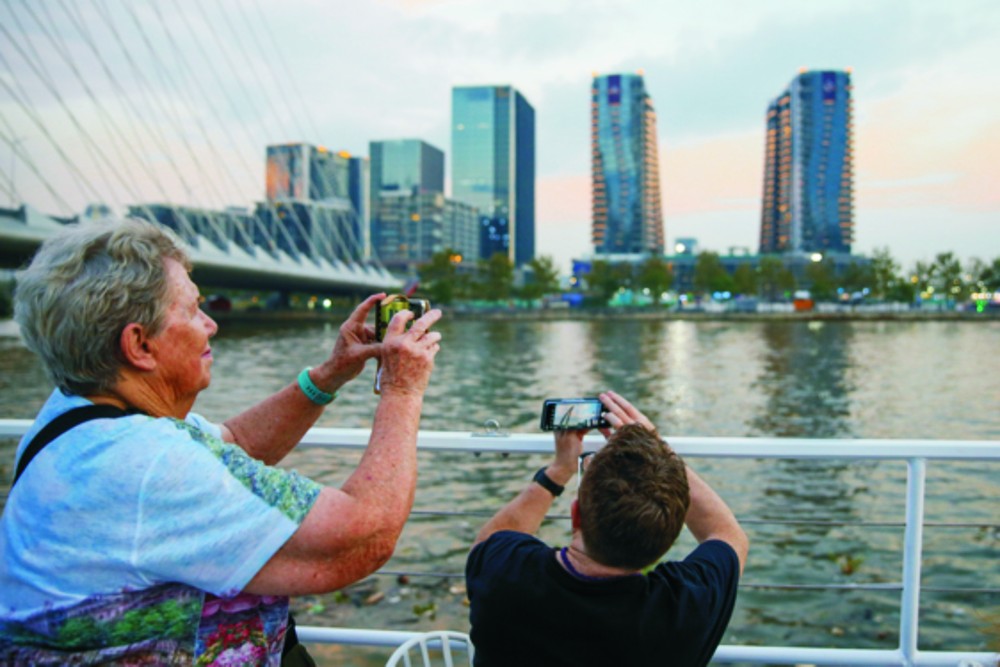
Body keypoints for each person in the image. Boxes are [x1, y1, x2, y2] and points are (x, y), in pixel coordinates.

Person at [0, 218, 442, 665]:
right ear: (140, 345)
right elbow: (358, 538)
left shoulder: (77, 418)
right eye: (193, 310)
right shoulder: (144, 464)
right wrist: (402, 388)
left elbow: (234, 441)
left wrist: (328, 377)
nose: (211, 324)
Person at [466, 391, 749, 667]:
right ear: (668, 538)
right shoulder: (683, 611)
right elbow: (727, 535)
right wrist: (659, 451)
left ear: (575, 514)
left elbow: (488, 541)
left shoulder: (504, 574)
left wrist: (558, 471)